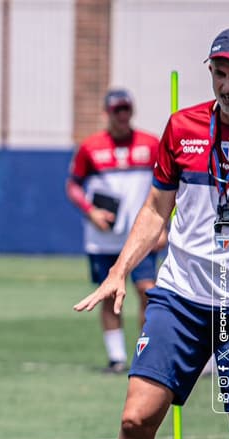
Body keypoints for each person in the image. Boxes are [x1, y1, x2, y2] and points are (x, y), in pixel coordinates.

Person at [74, 27, 229, 439]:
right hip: (181, 295)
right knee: (136, 421)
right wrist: (120, 269)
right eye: (220, 73)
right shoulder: (183, 128)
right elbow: (157, 210)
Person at [66, 89, 162, 374]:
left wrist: (164, 226)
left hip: (139, 238)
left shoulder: (151, 144)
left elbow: (169, 188)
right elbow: (72, 185)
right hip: (103, 239)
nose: (122, 115)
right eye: (116, 110)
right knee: (109, 296)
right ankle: (117, 358)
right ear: (107, 113)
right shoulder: (91, 147)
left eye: (126, 109)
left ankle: (147, 354)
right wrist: (90, 211)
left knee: (148, 292)